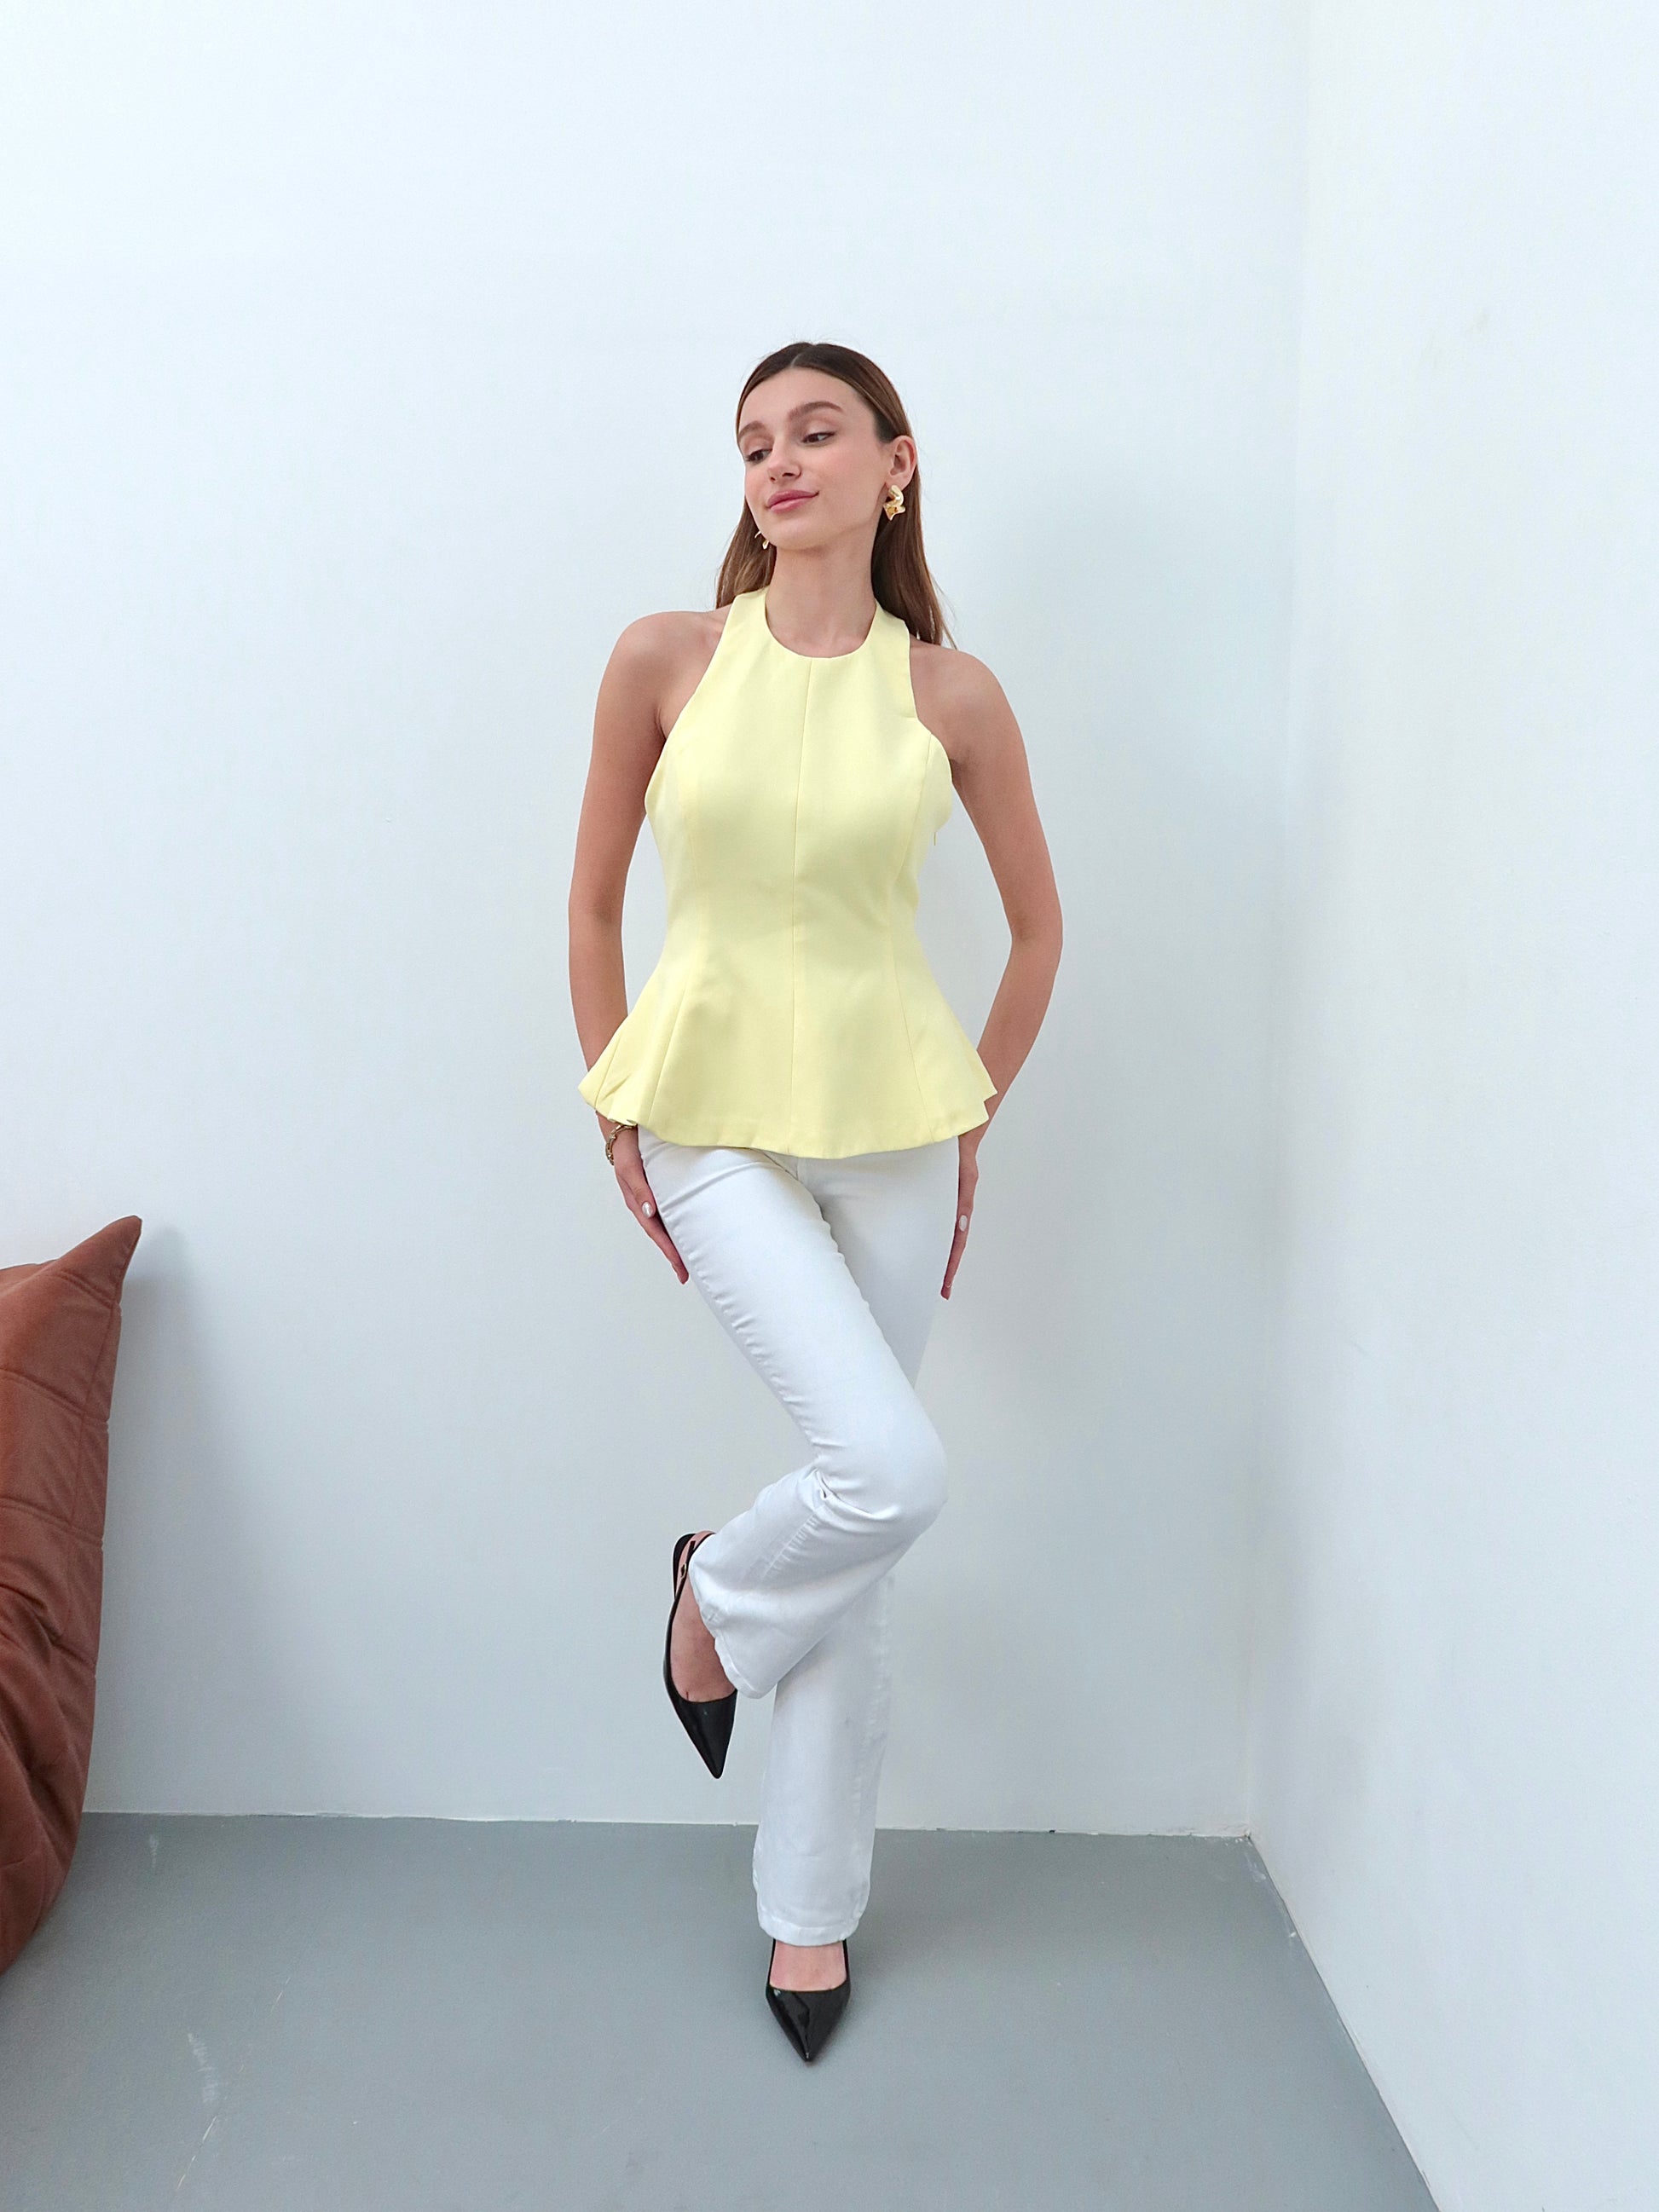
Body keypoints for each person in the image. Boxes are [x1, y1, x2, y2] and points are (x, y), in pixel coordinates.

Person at [566, 339, 1062, 2061]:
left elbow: (1038, 931)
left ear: (893, 464)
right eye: (754, 441)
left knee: (866, 1530)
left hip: (897, 1130)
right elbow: (591, 907)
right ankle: (709, 1601)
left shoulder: (952, 696)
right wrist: (613, 1104)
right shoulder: (666, 659)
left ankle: (808, 1912)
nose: (778, 462)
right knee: (886, 1469)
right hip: (706, 1121)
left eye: (816, 431)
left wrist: (971, 1109)